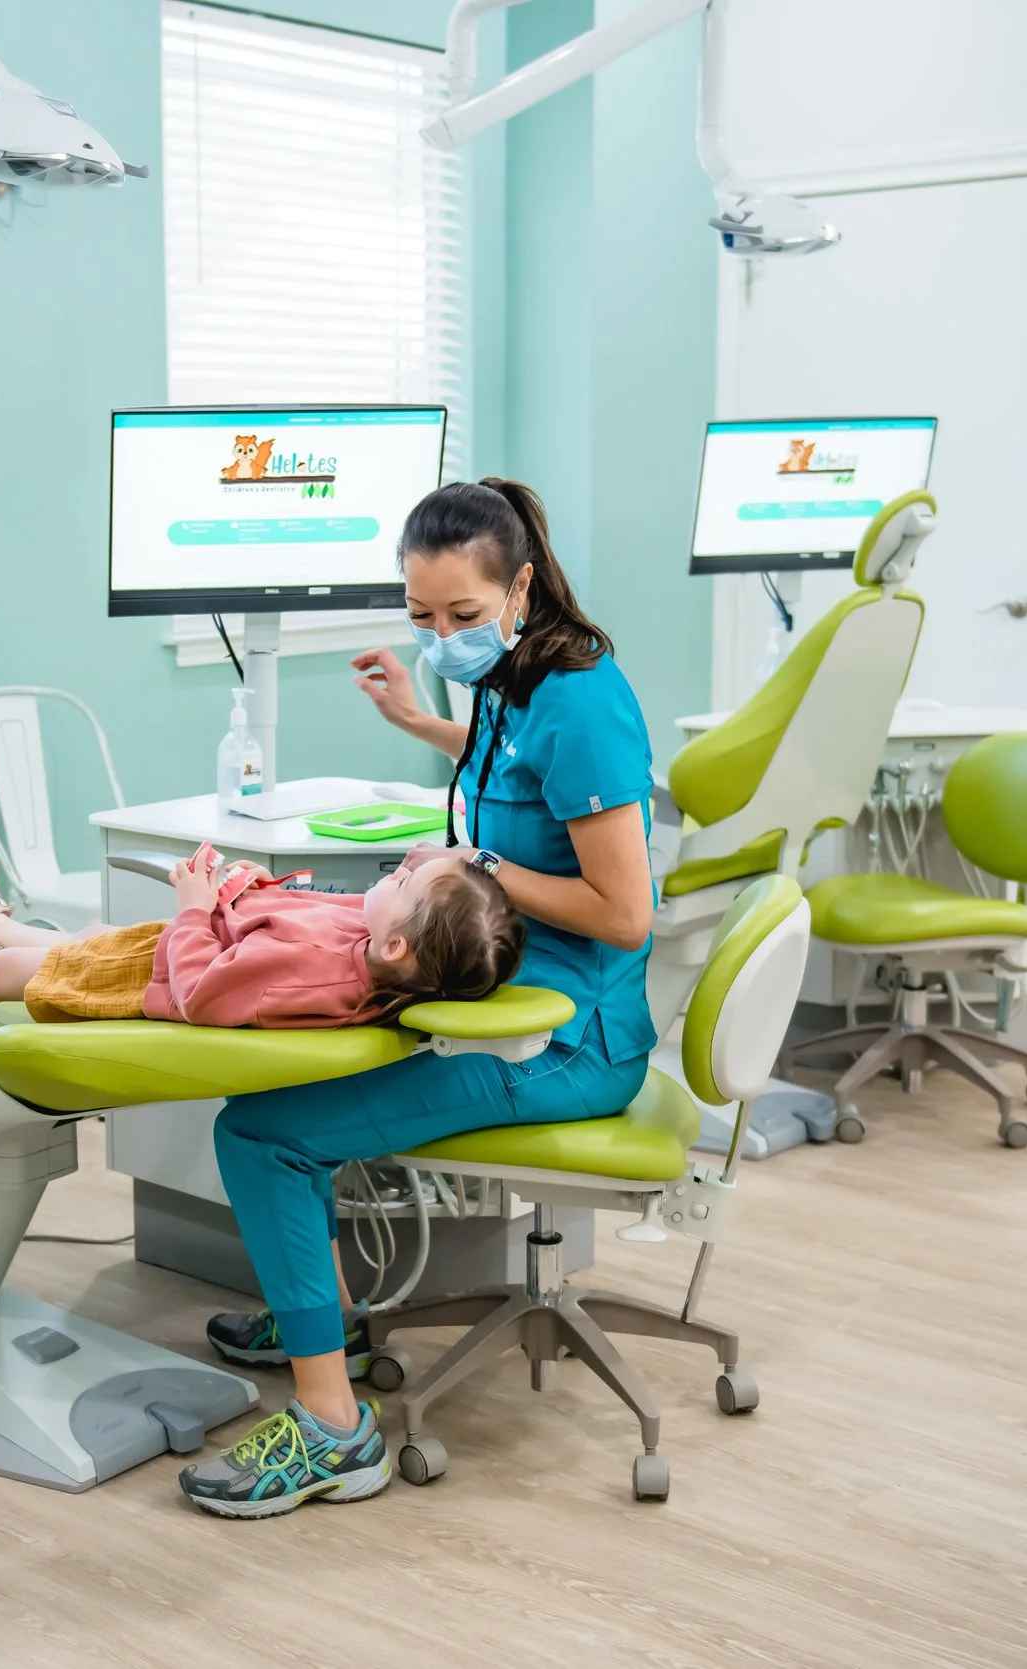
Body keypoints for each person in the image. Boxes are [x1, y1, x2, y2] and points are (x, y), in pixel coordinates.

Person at [178, 477, 657, 1520]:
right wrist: (414, 719)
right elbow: (510, 772)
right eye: (420, 618)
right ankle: (327, 1315)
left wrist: (470, 858)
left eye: (462, 617)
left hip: (562, 1035)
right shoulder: (515, 670)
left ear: (521, 584)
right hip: (491, 996)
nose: (442, 638)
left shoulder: (579, 695)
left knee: (264, 1134)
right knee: (287, 1012)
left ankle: (333, 1429)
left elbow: (623, 913)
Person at [0, 851, 523, 1027]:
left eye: (402, 883)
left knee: (3, 975)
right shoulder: (366, 937)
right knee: (92, 931)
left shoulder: (311, 971)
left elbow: (203, 993)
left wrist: (199, 906)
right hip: (155, 954)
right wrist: (255, 888)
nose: (394, 874)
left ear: (399, 946)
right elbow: (298, 914)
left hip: (149, 981)